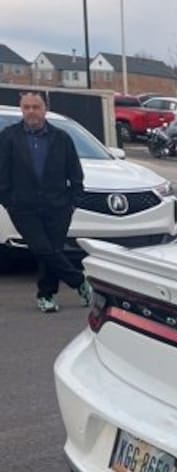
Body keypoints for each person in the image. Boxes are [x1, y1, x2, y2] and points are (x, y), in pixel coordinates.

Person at [0, 91, 92, 312]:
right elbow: (2, 172)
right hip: (23, 207)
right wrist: (7, 201)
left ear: (45, 109)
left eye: (35, 107)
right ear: (22, 109)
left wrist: (73, 202)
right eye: (26, 107)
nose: (31, 111)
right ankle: (79, 282)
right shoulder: (8, 137)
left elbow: (75, 174)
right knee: (41, 248)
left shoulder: (62, 138)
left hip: (58, 206)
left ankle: (46, 295)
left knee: (52, 250)